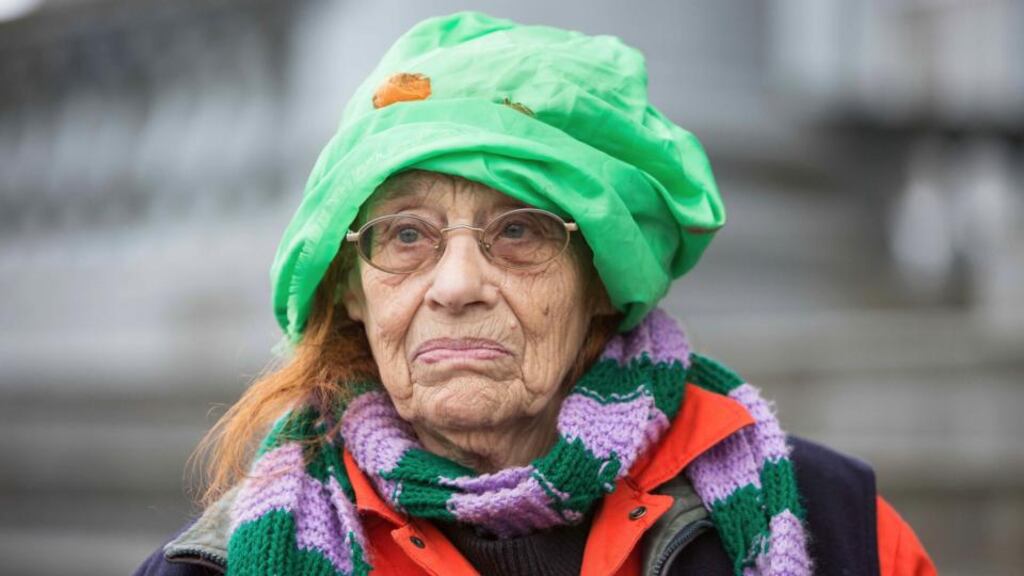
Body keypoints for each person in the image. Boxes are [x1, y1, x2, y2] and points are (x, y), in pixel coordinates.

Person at [134, 11, 936, 576]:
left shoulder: (838, 527)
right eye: (405, 236)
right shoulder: (216, 565)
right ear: (350, 289)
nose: (454, 287)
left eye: (518, 232)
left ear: (600, 278)